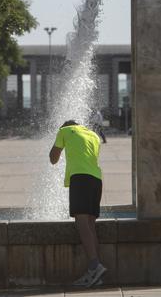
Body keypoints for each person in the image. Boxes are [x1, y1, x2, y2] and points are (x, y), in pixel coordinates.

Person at [49, 120, 106, 287]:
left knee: (81, 222)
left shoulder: (64, 130)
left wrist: (59, 146)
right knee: (90, 225)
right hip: (96, 180)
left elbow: (53, 159)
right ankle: (96, 274)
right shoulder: (94, 136)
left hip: (80, 179)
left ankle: (94, 266)